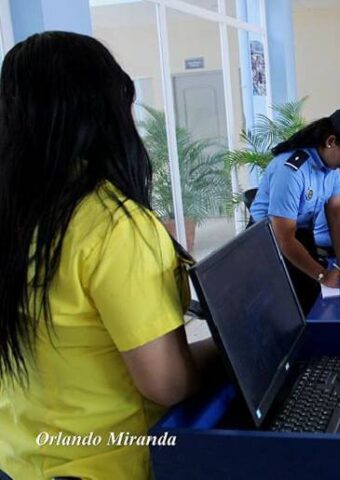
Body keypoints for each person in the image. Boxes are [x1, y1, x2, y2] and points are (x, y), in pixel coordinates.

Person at [0, 32, 218, 480]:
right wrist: (234, 346)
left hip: (22, 457)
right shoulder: (112, 225)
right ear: (107, 112)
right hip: (108, 462)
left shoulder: (14, 213)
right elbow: (168, 384)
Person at [250, 107, 340, 314]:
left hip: (299, 233)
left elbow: (336, 214)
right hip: (267, 240)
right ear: (331, 142)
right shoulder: (291, 172)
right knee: (291, 308)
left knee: (313, 300)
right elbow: (284, 238)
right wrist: (323, 275)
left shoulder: (331, 168)